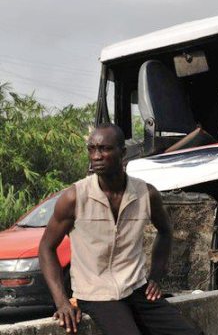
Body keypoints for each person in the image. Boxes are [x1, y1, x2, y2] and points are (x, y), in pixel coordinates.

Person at [39, 123, 201, 335]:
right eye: (92, 149)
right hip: (97, 294)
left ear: (122, 153)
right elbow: (46, 248)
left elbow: (165, 231)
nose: (96, 156)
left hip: (135, 288)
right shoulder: (75, 197)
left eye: (105, 149)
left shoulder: (146, 194)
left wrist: (155, 277)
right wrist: (61, 302)